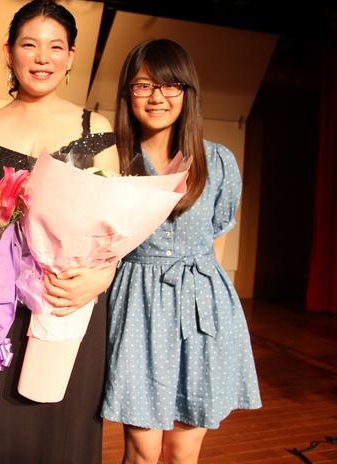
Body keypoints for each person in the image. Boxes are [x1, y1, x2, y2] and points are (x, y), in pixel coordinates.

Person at [0, 0, 120, 464]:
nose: (42, 57)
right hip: (1, 308)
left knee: (63, 432)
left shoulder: (95, 127)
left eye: (55, 47)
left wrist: (102, 276)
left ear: (71, 56)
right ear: (8, 52)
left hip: (69, 299)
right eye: (29, 45)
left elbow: (116, 224)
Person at [101, 38, 262, 464]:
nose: (157, 97)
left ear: (188, 91)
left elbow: (218, 237)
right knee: (142, 449)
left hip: (201, 307)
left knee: (184, 450)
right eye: (143, 85)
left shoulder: (218, 161)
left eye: (170, 85)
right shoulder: (113, 160)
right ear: (127, 93)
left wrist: (212, 296)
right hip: (138, 306)